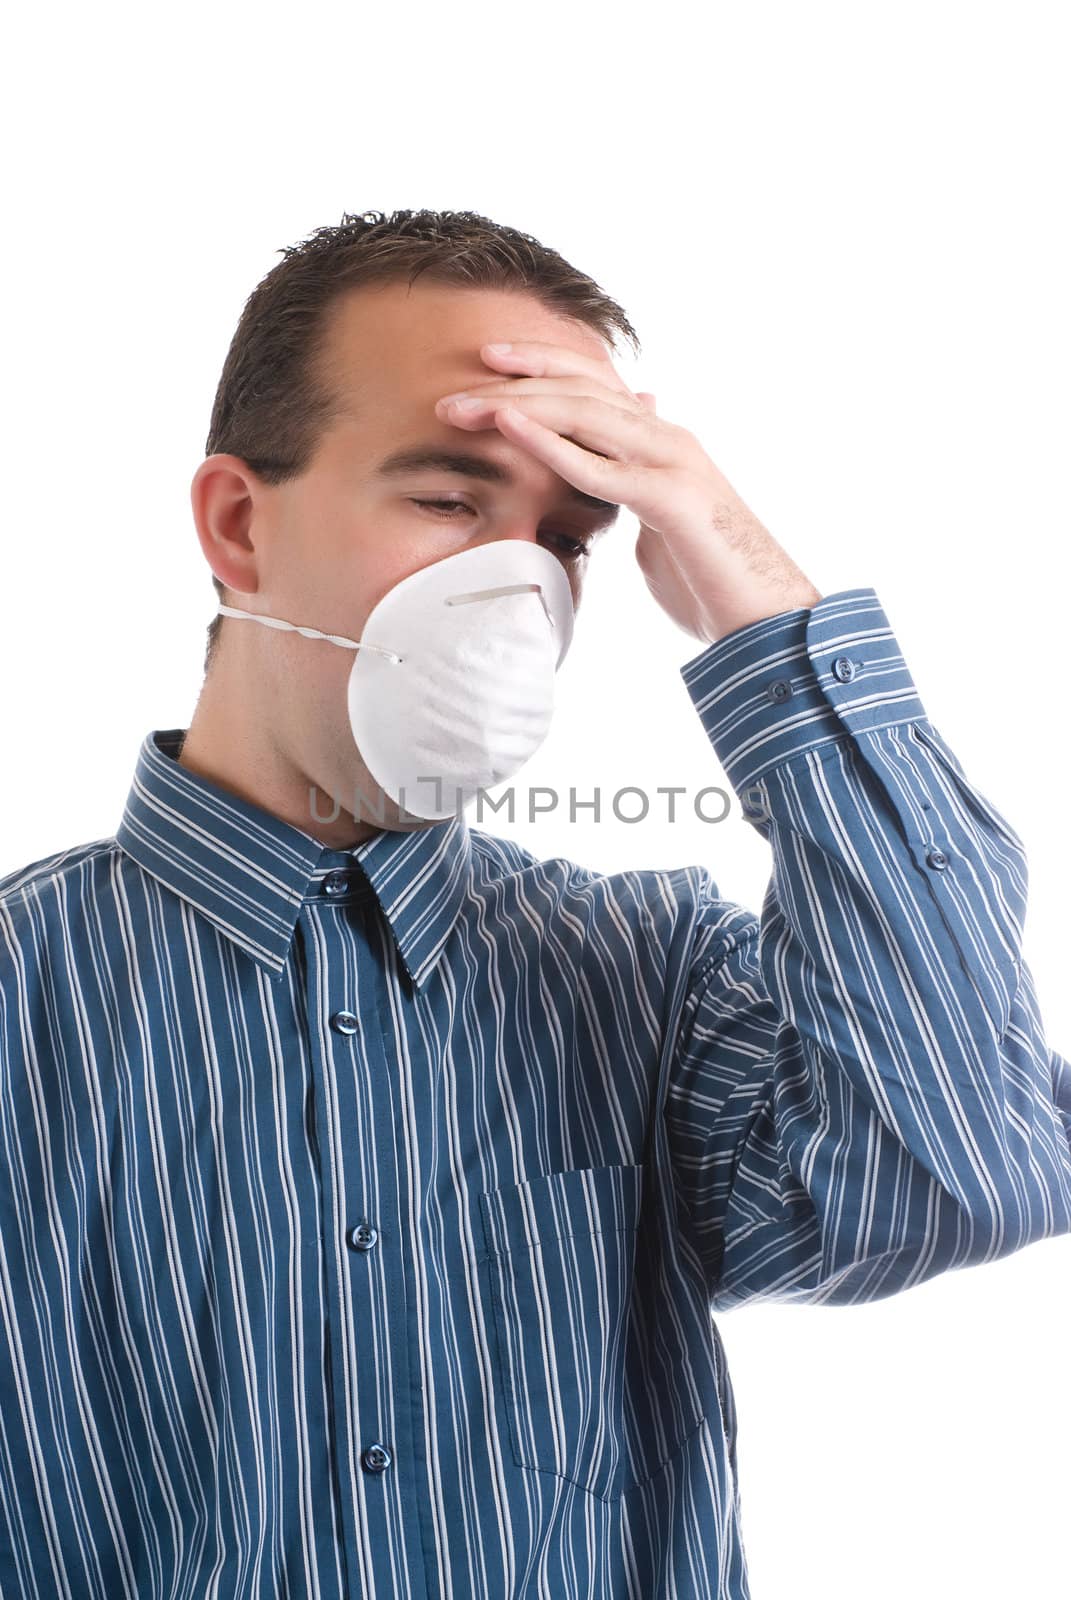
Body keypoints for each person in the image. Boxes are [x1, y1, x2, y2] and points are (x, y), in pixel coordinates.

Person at [1, 208, 1068, 1600]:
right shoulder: (23, 994)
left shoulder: (651, 975)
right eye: (448, 501)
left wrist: (765, 622)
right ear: (238, 526)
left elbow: (962, 1175)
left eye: (566, 536)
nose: (512, 592)